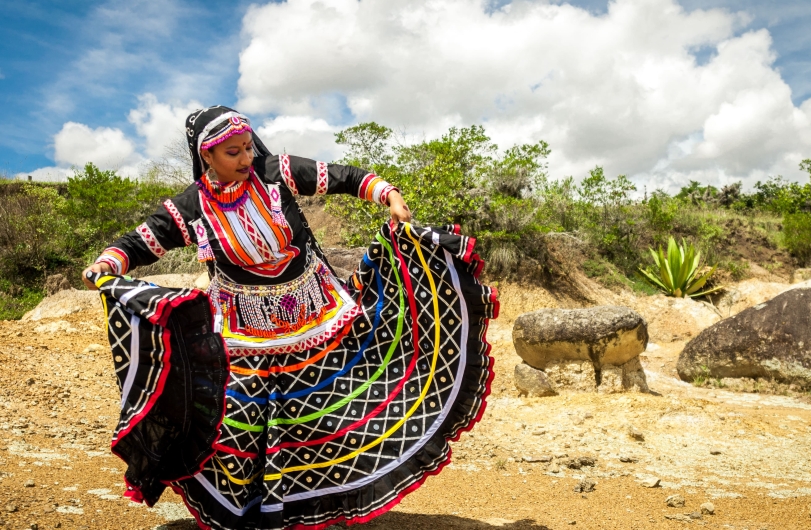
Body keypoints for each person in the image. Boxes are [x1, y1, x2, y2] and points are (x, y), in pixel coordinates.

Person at [81, 105, 498, 529]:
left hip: (317, 315)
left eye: (247, 147)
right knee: (238, 421)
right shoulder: (189, 209)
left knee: (329, 413)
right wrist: (105, 266)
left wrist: (387, 194)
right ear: (206, 155)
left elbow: (344, 177)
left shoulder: (275, 172)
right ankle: (251, 512)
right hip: (245, 332)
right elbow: (136, 244)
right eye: (233, 153)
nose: (246, 158)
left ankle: (315, 507)